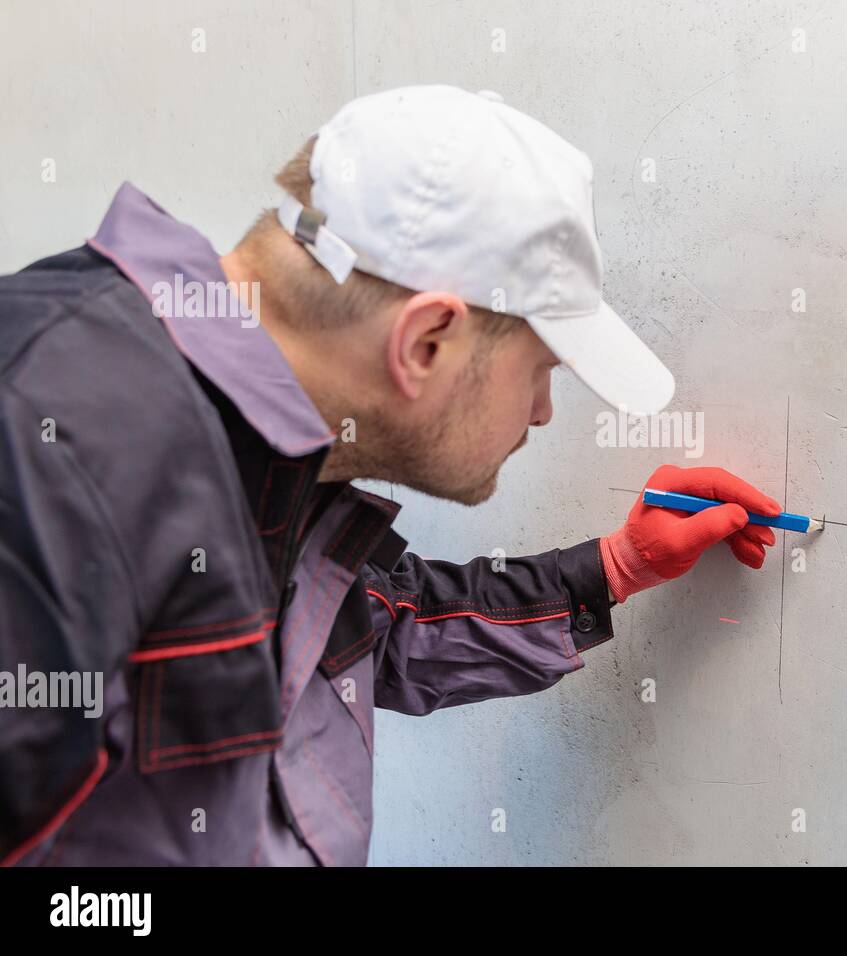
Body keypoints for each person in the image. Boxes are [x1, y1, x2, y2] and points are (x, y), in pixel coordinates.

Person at [0, 85, 780, 865]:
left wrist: (614, 568)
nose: (541, 413)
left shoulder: (263, 437)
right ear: (425, 341)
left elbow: (373, 620)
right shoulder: (46, 438)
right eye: (541, 371)